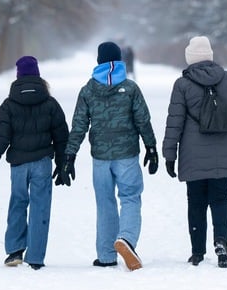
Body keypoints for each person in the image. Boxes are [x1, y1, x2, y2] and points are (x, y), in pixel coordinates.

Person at [61, 41, 158, 270]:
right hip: (127, 155)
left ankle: (106, 255)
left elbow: (79, 126)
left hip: (101, 158)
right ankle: (126, 239)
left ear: (98, 61)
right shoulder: (131, 88)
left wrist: (69, 156)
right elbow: (143, 120)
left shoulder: (88, 90)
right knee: (130, 197)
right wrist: (151, 148)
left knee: (105, 203)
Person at [162, 35, 227, 268]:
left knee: (196, 202)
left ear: (190, 59)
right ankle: (221, 242)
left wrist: (169, 154)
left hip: (193, 156)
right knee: (222, 199)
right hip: (225, 151)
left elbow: (175, 122)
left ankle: (197, 251)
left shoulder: (182, 85)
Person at [0, 56, 69, 270]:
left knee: (18, 204)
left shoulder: (9, 104)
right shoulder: (50, 103)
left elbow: (0, 136)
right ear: (38, 75)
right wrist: (63, 163)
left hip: (18, 165)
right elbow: (61, 136)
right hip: (42, 163)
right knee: (41, 207)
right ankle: (36, 257)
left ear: (18, 76)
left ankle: (14, 251)